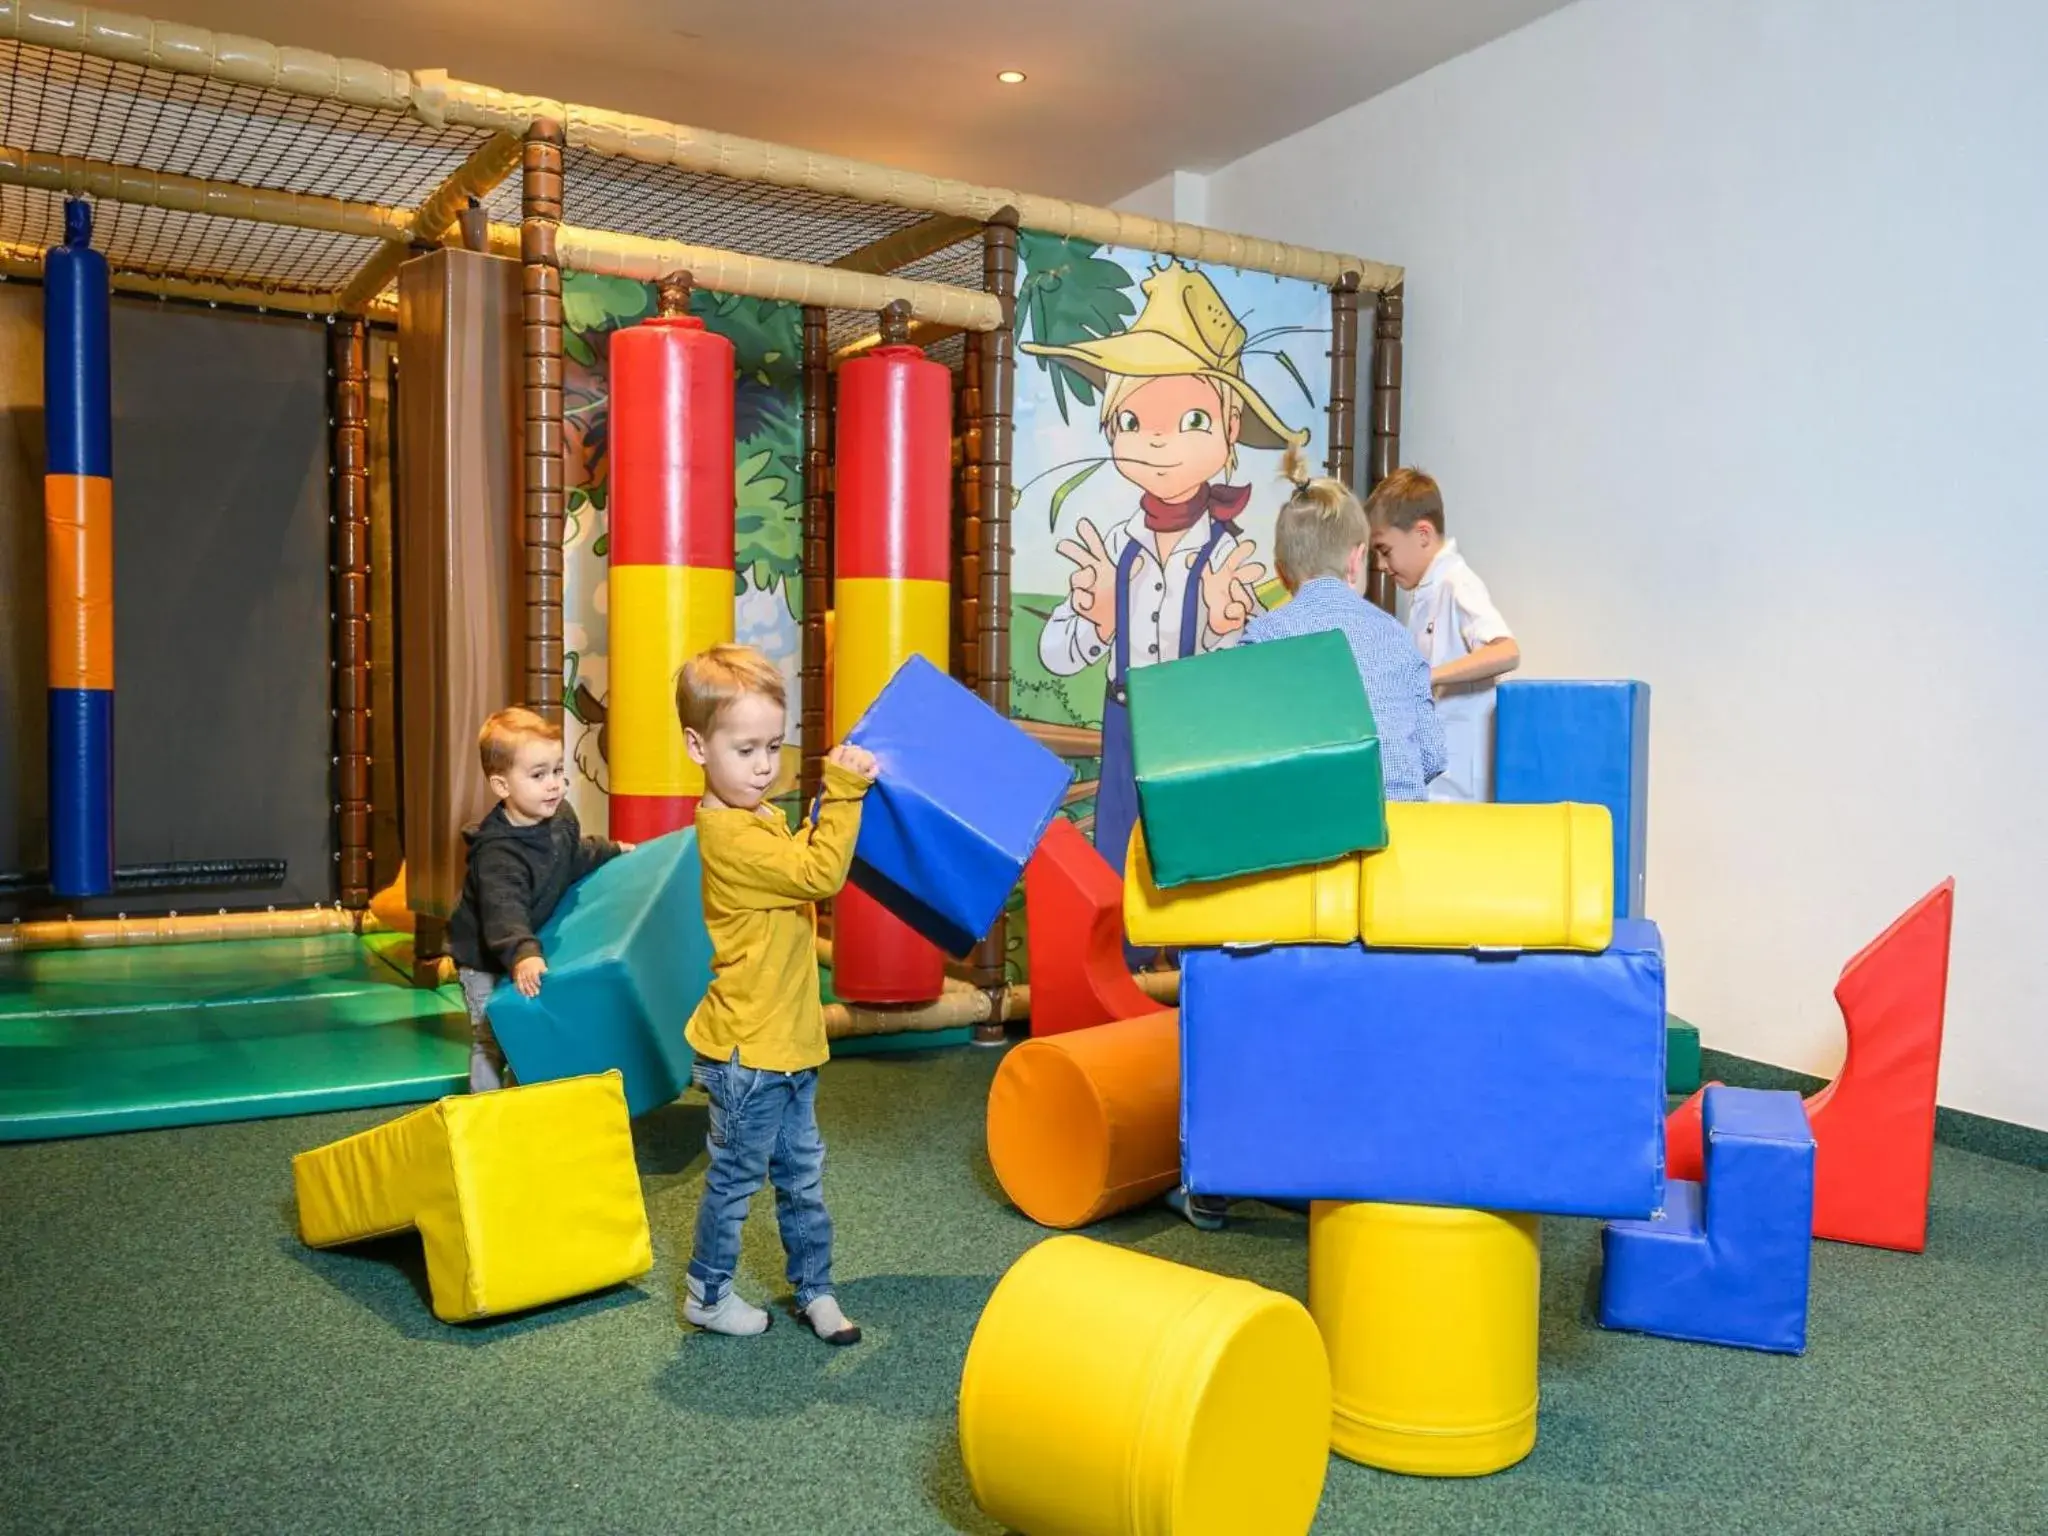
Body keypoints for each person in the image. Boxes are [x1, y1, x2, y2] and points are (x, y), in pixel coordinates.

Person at [1163, 452, 1447, 1231]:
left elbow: (1233, 769)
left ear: (1285, 569)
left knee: (1235, 972)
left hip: (1301, 889)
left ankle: (1216, 1175)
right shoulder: (1395, 642)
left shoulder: (1265, 638)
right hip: (1392, 887)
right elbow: (1430, 759)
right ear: (1359, 560)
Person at [1025, 262, 1304, 941]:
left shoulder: (1230, 559)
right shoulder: (1112, 547)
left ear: (1229, 429)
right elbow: (1055, 654)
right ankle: (1118, 987)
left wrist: (1226, 630)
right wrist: (1093, 624)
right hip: (1125, 725)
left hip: (1198, 729)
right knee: (1118, 866)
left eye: (1189, 419)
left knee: (1197, 862)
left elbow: (1263, 680)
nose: (1157, 440)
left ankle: (1188, 981)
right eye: (1132, 419)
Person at [675, 643, 877, 1345]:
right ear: (698, 746)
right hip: (749, 1055)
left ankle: (815, 1289)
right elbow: (819, 873)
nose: (765, 766)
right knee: (736, 1184)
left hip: (789, 1043)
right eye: (745, 749)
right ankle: (708, 1292)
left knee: (802, 1180)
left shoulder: (755, 814)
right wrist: (845, 792)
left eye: (774, 746)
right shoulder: (730, 836)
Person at [446, 707, 631, 1094]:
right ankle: (487, 1108)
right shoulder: (498, 855)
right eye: (538, 775)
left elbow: (573, 853)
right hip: (484, 958)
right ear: (502, 786)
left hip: (522, 945)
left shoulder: (559, 816)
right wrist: (523, 952)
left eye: (557, 771)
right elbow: (503, 912)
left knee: (527, 1029)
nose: (555, 784)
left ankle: (526, 1099)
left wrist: (613, 850)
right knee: (490, 1036)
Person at [1367, 468, 1520, 802]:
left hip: (1464, 787)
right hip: (1438, 782)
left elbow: (1506, 650)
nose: (1379, 564)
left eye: (1385, 550)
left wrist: (1430, 676)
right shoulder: (1422, 595)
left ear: (1423, 534)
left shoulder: (1455, 582)